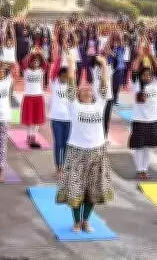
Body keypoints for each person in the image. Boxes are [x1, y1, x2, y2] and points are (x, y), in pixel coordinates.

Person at [56, 79, 113, 233]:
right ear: (78, 94)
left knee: (93, 190)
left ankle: (85, 221)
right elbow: (70, 85)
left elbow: (104, 86)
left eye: (89, 89)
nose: (87, 91)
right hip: (77, 153)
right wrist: (71, 66)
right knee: (75, 189)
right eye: (83, 90)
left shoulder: (99, 105)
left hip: (97, 153)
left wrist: (104, 66)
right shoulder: (74, 106)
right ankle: (76, 222)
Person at [128, 40, 157, 180]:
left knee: (148, 147)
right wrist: (141, 55)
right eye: (145, 74)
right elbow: (134, 69)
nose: (147, 76)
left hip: (154, 120)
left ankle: (145, 170)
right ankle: (139, 170)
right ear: (140, 76)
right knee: (139, 147)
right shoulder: (136, 85)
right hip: (139, 120)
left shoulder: (155, 83)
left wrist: (152, 55)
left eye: (149, 74)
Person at [50, 56, 76, 178]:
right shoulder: (54, 84)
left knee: (66, 144)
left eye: (66, 76)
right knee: (58, 143)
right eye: (62, 76)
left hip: (68, 120)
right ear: (59, 76)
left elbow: (72, 73)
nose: (64, 78)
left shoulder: (71, 87)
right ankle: (58, 167)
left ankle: (64, 167)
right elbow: (55, 69)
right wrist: (61, 54)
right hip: (56, 119)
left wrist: (71, 62)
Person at [20, 48, 47, 148]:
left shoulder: (41, 71)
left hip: (38, 97)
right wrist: (30, 53)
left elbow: (46, 65)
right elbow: (23, 63)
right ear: (30, 62)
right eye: (33, 61)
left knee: (37, 120)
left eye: (37, 61)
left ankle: (33, 136)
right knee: (29, 120)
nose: (35, 63)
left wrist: (41, 54)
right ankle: (29, 136)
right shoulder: (26, 71)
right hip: (28, 97)